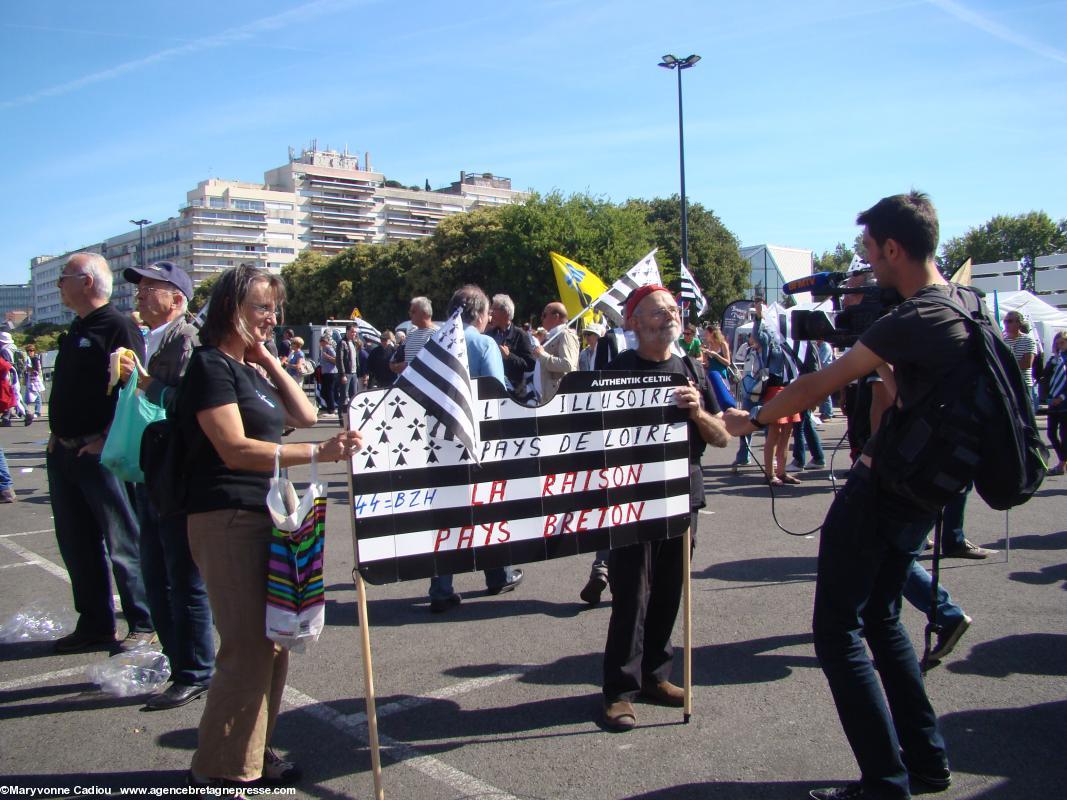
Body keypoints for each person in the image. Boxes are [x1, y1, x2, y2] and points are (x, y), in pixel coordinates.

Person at [725, 192, 964, 799]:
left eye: (869, 252)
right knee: (883, 619)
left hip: (885, 488)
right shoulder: (963, 305)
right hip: (926, 490)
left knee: (837, 629)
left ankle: (885, 781)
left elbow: (822, 382)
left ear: (893, 248)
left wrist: (753, 419)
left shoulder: (912, 318)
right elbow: (894, 390)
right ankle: (927, 763)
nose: (866, 266)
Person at [181, 265, 362, 789]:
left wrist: (266, 359)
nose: (272, 318)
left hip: (265, 517)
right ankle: (222, 769)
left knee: (275, 642)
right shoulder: (210, 367)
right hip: (227, 518)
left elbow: (304, 412)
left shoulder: (245, 368)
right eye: (261, 307)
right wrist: (319, 454)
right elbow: (234, 448)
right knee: (246, 649)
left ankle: (253, 754)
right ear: (230, 307)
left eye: (273, 309)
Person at [601, 285, 729, 732]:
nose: (670, 315)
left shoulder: (693, 367)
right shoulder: (614, 372)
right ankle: (619, 692)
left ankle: (657, 677)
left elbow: (722, 437)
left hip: (683, 499)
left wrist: (697, 413)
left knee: (671, 593)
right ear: (634, 323)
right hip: (631, 502)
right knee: (630, 597)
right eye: (658, 311)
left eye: (673, 309)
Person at [116, 260, 214, 711]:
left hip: (177, 471)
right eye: (138, 288)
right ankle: (181, 665)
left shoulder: (187, 338)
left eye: (149, 287)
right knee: (155, 573)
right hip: (152, 467)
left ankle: (195, 669)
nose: (138, 295)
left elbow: (194, 402)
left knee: (181, 577)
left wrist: (148, 384)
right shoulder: (149, 338)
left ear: (176, 298)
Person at [46, 252, 155, 654]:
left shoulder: (118, 325)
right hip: (65, 452)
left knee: (122, 541)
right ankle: (94, 623)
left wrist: (104, 439)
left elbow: (133, 390)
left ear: (87, 282)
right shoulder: (77, 326)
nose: (59, 284)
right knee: (76, 543)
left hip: (100, 453)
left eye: (64, 277)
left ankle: (144, 621)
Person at [427, 285, 523, 612]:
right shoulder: (485, 344)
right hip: (478, 438)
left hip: (437, 438)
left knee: (446, 514)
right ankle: (498, 574)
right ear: (481, 315)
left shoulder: (432, 342)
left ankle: (441, 587)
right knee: (489, 506)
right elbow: (495, 395)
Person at [751, 305, 800, 486]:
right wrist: (758, 316)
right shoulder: (770, 341)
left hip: (790, 389)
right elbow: (759, 336)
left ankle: (782, 471)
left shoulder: (792, 342)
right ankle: (770, 473)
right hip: (775, 390)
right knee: (774, 433)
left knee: (787, 434)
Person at [488, 293, 535, 397]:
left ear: (505, 312)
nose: (490, 313)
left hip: (515, 395)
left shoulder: (521, 335)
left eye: (494, 309)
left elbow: (530, 365)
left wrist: (509, 356)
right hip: (494, 392)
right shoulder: (488, 335)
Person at [531, 302, 579, 403]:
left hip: (560, 399)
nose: (541, 318)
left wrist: (542, 355)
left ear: (556, 316)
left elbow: (568, 365)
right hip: (547, 398)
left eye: (544, 315)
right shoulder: (552, 336)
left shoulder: (566, 335)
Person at [391, 297, 436, 373]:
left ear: (425, 313)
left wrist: (409, 366)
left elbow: (435, 363)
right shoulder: (411, 333)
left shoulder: (437, 334)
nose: (410, 314)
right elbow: (392, 362)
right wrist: (400, 366)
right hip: (405, 384)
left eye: (413, 311)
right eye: (410, 311)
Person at [1002, 311, 1036, 414]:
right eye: (1005, 321)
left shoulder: (1028, 340)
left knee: (1025, 415)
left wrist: (1005, 364)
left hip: (1023, 384)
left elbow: (1026, 364)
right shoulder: (1002, 340)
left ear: (1019, 323)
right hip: (1006, 383)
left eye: (1009, 321)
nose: (1006, 324)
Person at [1045, 330, 1066, 475]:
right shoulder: (1054, 359)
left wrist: (1062, 397)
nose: (1059, 346)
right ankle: (1063, 459)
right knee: (1051, 433)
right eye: (1057, 343)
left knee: (1064, 435)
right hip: (1053, 401)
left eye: (1062, 342)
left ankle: (1061, 464)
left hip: (1065, 402)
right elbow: (1045, 378)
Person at [336, 324, 362, 415]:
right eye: (352, 332)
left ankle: (352, 417)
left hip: (354, 373)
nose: (354, 334)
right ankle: (342, 418)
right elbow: (340, 359)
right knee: (343, 397)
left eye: (355, 332)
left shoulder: (354, 343)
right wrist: (343, 374)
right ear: (347, 331)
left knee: (354, 396)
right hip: (346, 373)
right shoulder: (342, 343)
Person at [21, 343, 44, 425]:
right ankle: (24, 411)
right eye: (28, 351)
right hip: (30, 379)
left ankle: (36, 412)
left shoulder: (35, 359)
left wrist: (28, 368)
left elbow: (36, 370)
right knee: (27, 397)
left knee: (36, 396)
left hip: (34, 380)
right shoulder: (28, 359)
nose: (30, 352)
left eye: (32, 350)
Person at [317, 334, 338, 414]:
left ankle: (332, 408)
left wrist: (327, 357)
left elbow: (336, 360)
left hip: (331, 373)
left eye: (322, 341)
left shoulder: (329, 348)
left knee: (329, 391)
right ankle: (330, 406)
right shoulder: (323, 349)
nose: (320, 343)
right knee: (323, 392)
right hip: (325, 373)